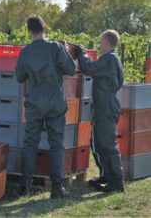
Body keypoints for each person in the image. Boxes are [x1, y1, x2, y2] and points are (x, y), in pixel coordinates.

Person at [15, 15, 76, 198]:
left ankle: (25, 186)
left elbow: (19, 77)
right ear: (45, 28)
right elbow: (71, 70)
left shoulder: (25, 52)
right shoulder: (55, 47)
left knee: (30, 143)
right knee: (56, 144)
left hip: (34, 102)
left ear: (29, 32)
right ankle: (57, 188)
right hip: (55, 102)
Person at [76, 29, 124, 192]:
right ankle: (108, 176)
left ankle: (117, 182)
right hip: (107, 103)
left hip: (106, 104)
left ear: (108, 42)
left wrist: (80, 51)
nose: (99, 44)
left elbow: (88, 67)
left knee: (108, 144)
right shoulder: (113, 59)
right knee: (99, 141)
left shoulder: (109, 58)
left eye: (101, 41)